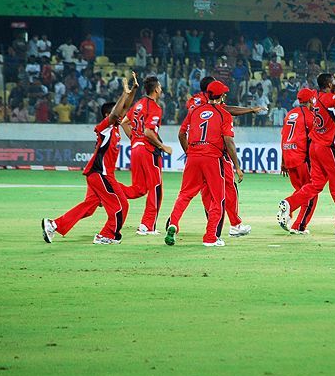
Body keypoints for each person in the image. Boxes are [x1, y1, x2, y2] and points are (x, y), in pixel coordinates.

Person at [277, 57, 335, 239]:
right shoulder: (328, 99)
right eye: (333, 82)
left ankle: (290, 203)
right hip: (329, 146)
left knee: (315, 184)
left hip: (315, 147)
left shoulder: (317, 97)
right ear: (328, 84)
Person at [41, 74, 138, 245]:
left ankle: (53, 224)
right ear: (108, 114)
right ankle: (106, 235)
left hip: (101, 174)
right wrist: (124, 94)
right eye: (118, 112)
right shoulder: (105, 127)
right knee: (119, 206)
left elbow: (124, 108)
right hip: (100, 174)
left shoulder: (115, 128)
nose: (123, 114)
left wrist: (132, 91)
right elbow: (116, 112)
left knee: (90, 207)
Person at [165, 81, 242, 247]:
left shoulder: (194, 111)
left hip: (193, 156)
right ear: (221, 96)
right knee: (218, 199)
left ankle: (173, 223)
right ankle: (210, 237)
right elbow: (228, 140)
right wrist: (237, 166)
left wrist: (190, 152)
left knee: (185, 194)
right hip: (212, 158)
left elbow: (181, 134)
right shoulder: (224, 114)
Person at [186, 76, 264, 237]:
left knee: (204, 191)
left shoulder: (194, 102)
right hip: (216, 153)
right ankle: (232, 225)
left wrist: (189, 152)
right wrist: (250, 110)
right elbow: (227, 111)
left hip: (197, 151)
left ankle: (209, 224)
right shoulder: (212, 104)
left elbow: (183, 132)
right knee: (229, 188)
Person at [119, 76, 172, 235]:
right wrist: (163, 147)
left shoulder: (138, 104)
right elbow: (148, 132)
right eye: (160, 87)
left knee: (139, 189)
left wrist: (135, 139)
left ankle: (109, 190)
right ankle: (147, 226)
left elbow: (124, 122)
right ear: (156, 89)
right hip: (148, 151)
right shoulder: (155, 107)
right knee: (156, 188)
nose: (161, 89)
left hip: (135, 149)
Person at [280, 88, 317, 235]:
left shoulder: (290, 114)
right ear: (311, 100)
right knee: (311, 192)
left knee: (301, 191)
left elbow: (283, 137)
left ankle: (288, 213)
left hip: (288, 156)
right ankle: (298, 225)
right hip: (302, 158)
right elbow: (314, 139)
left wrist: (283, 161)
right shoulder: (310, 116)